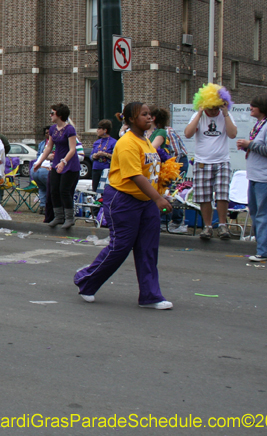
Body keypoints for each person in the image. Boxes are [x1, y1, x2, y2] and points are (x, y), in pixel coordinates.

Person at [74, 102, 174, 310]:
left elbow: (149, 171)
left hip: (146, 201)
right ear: (130, 120)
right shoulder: (127, 142)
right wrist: (158, 198)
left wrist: (160, 192)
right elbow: (135, 175)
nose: (149, 118)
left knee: (148, 248)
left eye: (149, 115)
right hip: (123, 199)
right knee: (120, 247)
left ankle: (150, 295)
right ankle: (86, 280)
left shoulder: (145, 140)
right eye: (143, 115)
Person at [183, 85, 237, 240]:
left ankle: (222, 225)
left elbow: (233, 134)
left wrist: (225, 113)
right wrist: (200, 113)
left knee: (222, 194)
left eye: (216, 107)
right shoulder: (198, 116)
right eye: (210, 108)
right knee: (204, 196)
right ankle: (207, 227)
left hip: (222, 161)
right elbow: (188, 134)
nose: (214, 111)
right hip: (202, 161)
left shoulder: (225, 115)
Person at [236, 95, 267, 262]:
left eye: (254, 105)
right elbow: (260, 149)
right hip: (256, 177)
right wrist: (246, 147)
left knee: (265, 216)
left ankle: (265, 251)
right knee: (257, 214)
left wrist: (250, 145)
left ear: (262, 108)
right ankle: (261, 246)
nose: (251, 107)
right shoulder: (260, 125)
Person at [33, 103, 81, 229]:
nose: (50, 115)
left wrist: (63, 162)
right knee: (53, 190)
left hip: (69, 164)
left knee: (64, 191)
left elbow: (72, 149)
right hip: (56, 164)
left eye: (52, 113)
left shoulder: (70, 129)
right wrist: (39, 162)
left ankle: (69, 218)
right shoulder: (53, 129)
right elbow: (48, 147)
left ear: (59, 115)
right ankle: (58, 216)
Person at [91, 119, 116, 193]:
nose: (97, 130)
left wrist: (105, 154)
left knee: (106, 191)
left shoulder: (114, 142)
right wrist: (94, 156)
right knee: (95, 191)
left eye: (99, 128)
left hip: (107, 170)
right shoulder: (97, 142)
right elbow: (91, 155)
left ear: (105, 130)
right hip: (96, 169)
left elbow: (116, 157)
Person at [30, 126, 52, 210]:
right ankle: (47, 207)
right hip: (43, 168)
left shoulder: (47, 144)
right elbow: (39, 155)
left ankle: (43, 206)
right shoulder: (43, 144)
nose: (48, 134)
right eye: (46, 133)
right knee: (49, 188)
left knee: (43, 188)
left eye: (49, 133)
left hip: (37, 168)